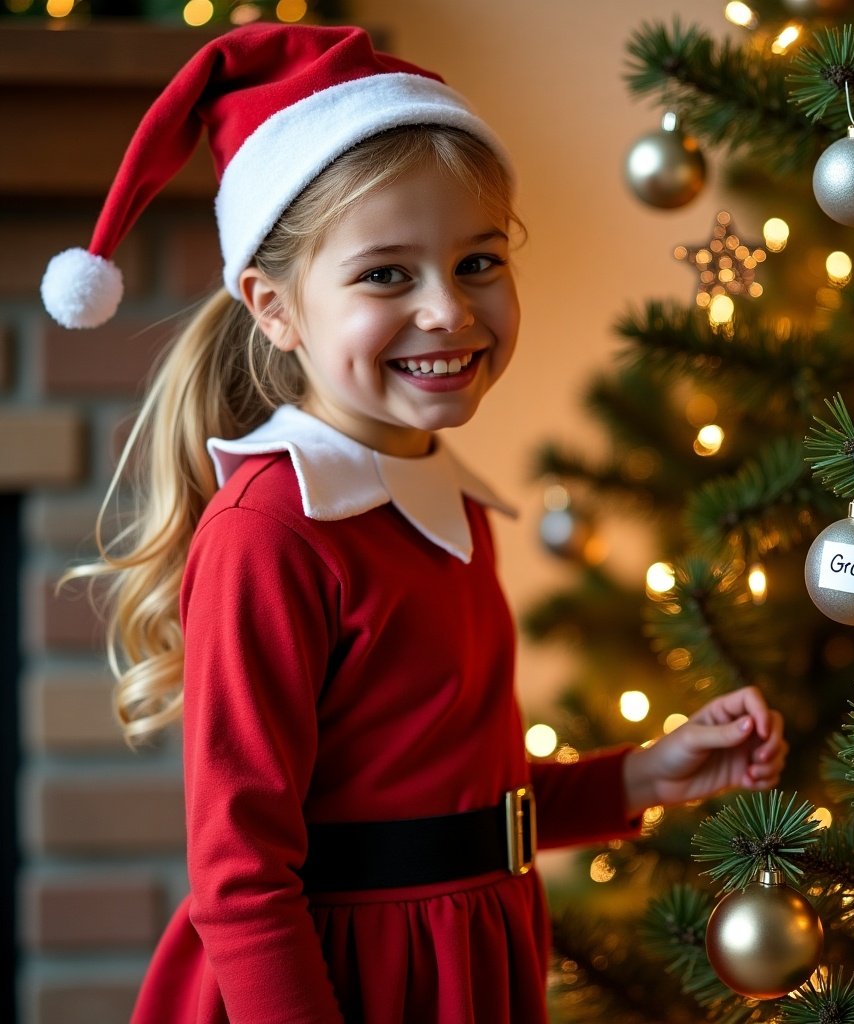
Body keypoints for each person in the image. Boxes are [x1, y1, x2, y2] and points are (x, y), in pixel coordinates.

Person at [42, 23, 787, 1024]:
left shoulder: (446, 499)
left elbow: (449, 795)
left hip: (468, 959)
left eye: (478, 260)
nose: (449, 309)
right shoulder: (271, 530)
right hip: (345, 983)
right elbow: (242, 878)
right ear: (274, 307)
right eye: (387, 274)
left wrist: (643, 773)